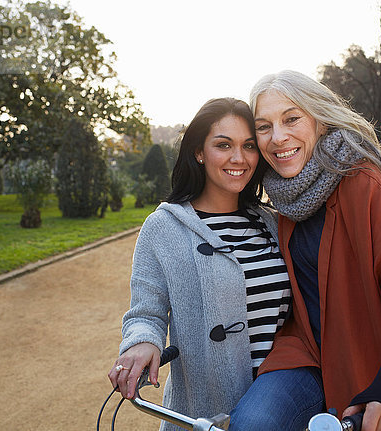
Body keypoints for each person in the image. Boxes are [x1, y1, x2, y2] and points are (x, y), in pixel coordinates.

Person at [229, 71, 381, 431]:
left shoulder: (362, 182)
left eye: (292, 118)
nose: (278, 137)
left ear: (320, 121)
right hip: (306, 354)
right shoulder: (286, 199)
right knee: (251, 423)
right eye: (264, 126)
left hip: (368, 359)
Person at [108, 98, 295, 431]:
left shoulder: (274, 223)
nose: (239, 158)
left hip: (283, 405)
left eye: (249, 146)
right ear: (198, 151)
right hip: (204, 411)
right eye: (223, 145)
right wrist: (141, 341)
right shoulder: (163, 226)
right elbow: (145, 313)